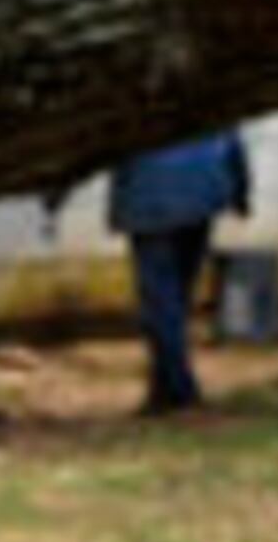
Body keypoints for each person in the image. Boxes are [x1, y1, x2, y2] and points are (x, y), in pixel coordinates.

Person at [104, 127, 253, 415]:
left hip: (150, 200)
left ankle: (183, 391)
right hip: (203, 193)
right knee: (176, 299)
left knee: (161, 304)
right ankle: (163, 392)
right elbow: (234, 139)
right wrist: (240, 191)